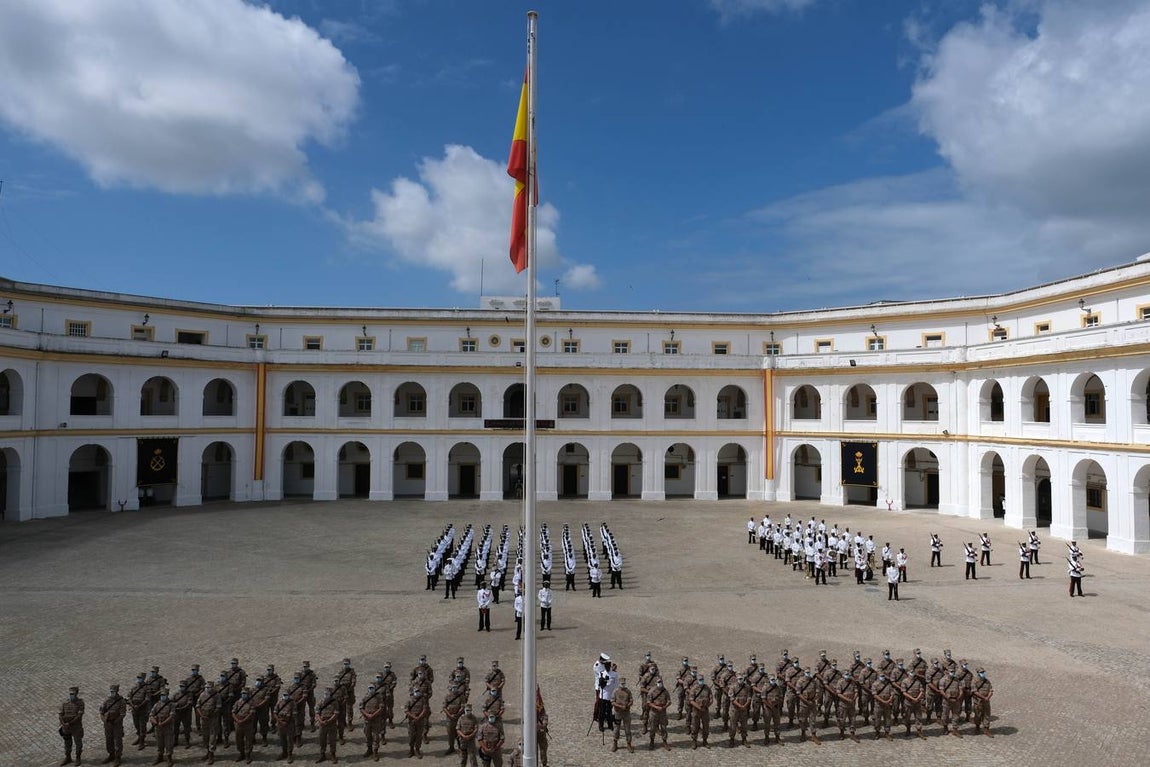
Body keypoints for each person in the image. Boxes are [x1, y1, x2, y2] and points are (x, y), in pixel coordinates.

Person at [99, 683, 126, 767]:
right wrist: (104, 720)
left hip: (117, 724)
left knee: (117, 741)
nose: (112, 693)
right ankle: (111, 754)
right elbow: (101, 712)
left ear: (117, 691)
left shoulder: (121, 701)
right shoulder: (107, 700)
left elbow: (122, 714)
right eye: (111, 691)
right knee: (109, 740)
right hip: (108, 724)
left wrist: (115, 721)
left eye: (113, 691)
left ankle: (118, 757)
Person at [148, 688, 175, 766]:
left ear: (167, 695)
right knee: (159, 743)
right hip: (158, 727)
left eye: (164, 695)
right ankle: (160, 756)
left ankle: (169, 757)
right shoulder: (157, 704)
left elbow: (171, 716)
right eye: (161, 695)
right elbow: (151, 715)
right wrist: (155, 722)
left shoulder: (171, 704)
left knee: (168, 743)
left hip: (168, 727)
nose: (162, 696)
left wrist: (163, 723)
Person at [195, 681, 221, 764]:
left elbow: (218, 707)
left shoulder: (217, 695)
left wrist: (211, 714)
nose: (207, 689)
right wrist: (201, 715)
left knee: (212, 737)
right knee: (205, 736)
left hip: (213, 719)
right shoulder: (202, 695)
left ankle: (211, 755)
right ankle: (207, 752)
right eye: (206, 687)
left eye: (209, 687)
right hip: (204, 719)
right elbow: (198, 706)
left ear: (212, 688)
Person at [59, 685, 85, 766]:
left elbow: (79, 715)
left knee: (78, 743)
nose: (71, 695)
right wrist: (63, 723)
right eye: (70, 694)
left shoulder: (80, 703)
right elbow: (60, 714)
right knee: (67, 743)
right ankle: (68, 757)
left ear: (76, 693)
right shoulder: (65, 703)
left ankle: (78, 758)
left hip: (76, 727)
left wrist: (69, 723)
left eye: (73, 694)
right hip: (66, 728)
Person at [231, 687, 257, 764]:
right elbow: (233, 712)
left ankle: (248, 755)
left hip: (247, 724)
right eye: (242, 693)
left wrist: (243, 720)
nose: (243, 695)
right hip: (238, 724)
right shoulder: (237, 702)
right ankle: (241, 753)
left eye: (245, 693)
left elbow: (251, 714)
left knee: (248, 740)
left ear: (248, 694)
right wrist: (237, 720)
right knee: (238, 740)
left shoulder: (251, 703)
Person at [315, 687, 340, 763]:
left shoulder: (335, 702)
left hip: (332, 724)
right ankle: (322, 754)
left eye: (327, 694)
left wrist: (329, 721)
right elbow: (317, 713)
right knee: (322, 740)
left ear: (330, 694)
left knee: (332, 740)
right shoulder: (320, 702)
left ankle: (333, 754)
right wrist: (320, 721)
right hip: (322, 724)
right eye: (325, 693)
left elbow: (336, 713)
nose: (326, 695)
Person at [361, 684, 386, 760]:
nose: (371, 689)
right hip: (367, 721)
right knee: (367, 735)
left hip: (376, 720)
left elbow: (381, 708)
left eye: (372, 688)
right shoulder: (365, 697)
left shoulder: (379, 698)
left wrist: (373, 715)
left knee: (376, 736)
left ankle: (375, 752)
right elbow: (361, 708)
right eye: (370, 688)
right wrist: (367, 715)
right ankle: (369, 750)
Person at [273, 691, 297, 764]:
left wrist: (287, 722)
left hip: (289, 724)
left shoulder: (292, 703)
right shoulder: (279, 702)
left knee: (289, 740)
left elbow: (294, 714)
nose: (285, 696)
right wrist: (280, 721)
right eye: (284, 695)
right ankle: (284, 752)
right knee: (282, 739)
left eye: (286, 695)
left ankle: (290, 754)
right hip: (280, 724)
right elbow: (275, 713)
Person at [611, 677, 634, 752]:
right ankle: (615, 743)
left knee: (627, 729)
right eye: (621, 683)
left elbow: (631, 700)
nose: (623, 685)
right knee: (616, 729)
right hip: (618, 712)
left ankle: (629, 744)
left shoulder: (628, 691)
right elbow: (612, 702)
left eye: (624, 683)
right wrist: (620, 706)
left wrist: (627, 705)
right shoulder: (615, 691)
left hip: (626, 713)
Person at [647, 679, 670, 751]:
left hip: (663, 712)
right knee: (652, 728)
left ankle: (664, 741)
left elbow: (669, 701)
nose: (660, 683)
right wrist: (656, 707)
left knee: (664, 728)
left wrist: (665, 707)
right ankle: (652, 741)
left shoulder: (665, 691)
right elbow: (649, 702)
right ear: (656, 683)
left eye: (661, 682)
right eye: (658, 682)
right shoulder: (652, 691)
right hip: (654, 713)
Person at [689, 677, 712, 749]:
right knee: (695, 726)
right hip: (696, 710)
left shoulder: (707, 688)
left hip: (705, 710)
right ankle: (694, 741)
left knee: (706, 726)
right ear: (697, 680)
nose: (701, 681)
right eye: (700, 680)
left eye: (702, 680)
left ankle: (705, 741)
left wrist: (707, 705)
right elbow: (691, 701)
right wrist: (699, 708)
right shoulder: (694, 689)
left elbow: (711, 698)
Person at [972, 668, 994, 737]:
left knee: (987, 715)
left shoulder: (987, 681)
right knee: (978, 715)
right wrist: (984, 698)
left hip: (986, 702)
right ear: (978, 673)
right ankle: (977, 727)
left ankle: (986, 729)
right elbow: (974, 691)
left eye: (983, 672)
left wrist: (988, 697)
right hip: (978, 702)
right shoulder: (974, 681)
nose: (983, 673)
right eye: (981, 672)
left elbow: (991, 690)